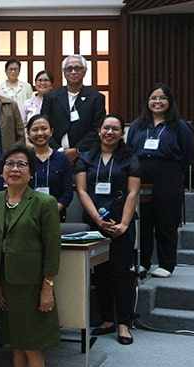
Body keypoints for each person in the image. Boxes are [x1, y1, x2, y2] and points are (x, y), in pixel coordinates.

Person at [0, 144, 61, 367]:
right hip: (5, 288)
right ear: (2, 171)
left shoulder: (44, 203)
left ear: (31, 172)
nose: (14, 169)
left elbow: (52, 249)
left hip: (33, 289)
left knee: (32, 349)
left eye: (21, 165)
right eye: (9, 164)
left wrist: (47, 287)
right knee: (16, 348)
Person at [75, 115, 140, 345]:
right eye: (106, 128)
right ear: (99, 131)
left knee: (122, 272)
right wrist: (97, 220)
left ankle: (123, 323)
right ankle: (107, 320)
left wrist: (123, 224)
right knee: (100, 273)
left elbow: (133, 192)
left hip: (121, 220)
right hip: (95, 222)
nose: (110, 132)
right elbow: (82, 191)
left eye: (115, 129)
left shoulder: (130, 158)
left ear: (121, 133)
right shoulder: (86, 158)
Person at [128, 83, 194, 278]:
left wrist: (172, 171)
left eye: (162, 98)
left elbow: (188, 153)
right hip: (141, 175)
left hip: (168, 175)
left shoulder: (179, 125)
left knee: (166, 220)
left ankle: (167, 264)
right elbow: (129, 150)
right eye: (153, 98)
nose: (157, 102)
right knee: (144, 221)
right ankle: (143, 262)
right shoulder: (138, 125)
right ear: (148, 102)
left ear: (170, 102)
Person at [41, 55, 105, 162]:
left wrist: (77, 150)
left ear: (84, 71)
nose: (73, 72)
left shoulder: (96, 98)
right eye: (69, 69)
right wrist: (58, 150)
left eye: (78, 68)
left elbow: (97, 128)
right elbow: (44, 125)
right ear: (64, 73)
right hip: (53, 154)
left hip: (86, 156)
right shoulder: (51, 97)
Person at [26, 114, 74, 221]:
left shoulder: (62, 159)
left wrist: (52, 211)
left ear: (51, 131)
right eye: (34, 130)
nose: (40, 133)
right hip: (26, 216)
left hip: (55, 216)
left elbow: (67, 191)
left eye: (44, 129)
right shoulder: (24, 159)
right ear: (28, 134)